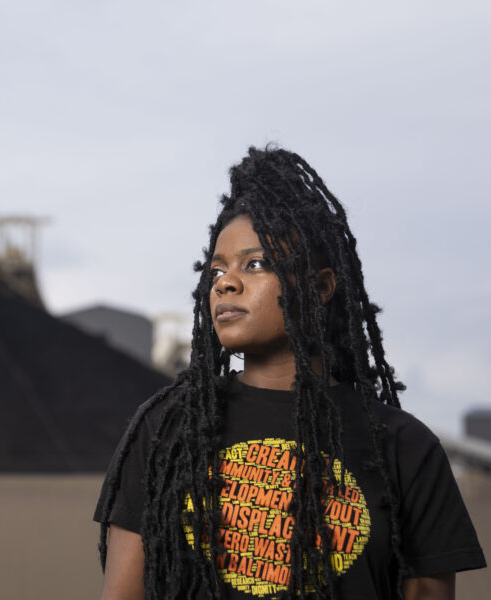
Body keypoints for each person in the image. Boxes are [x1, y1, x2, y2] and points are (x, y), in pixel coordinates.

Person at [94, 146, 485, 599]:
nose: (225, 282)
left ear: (319, 288)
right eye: (216, 269)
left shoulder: (404, 448)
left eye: (255, 264)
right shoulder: (168, 430)